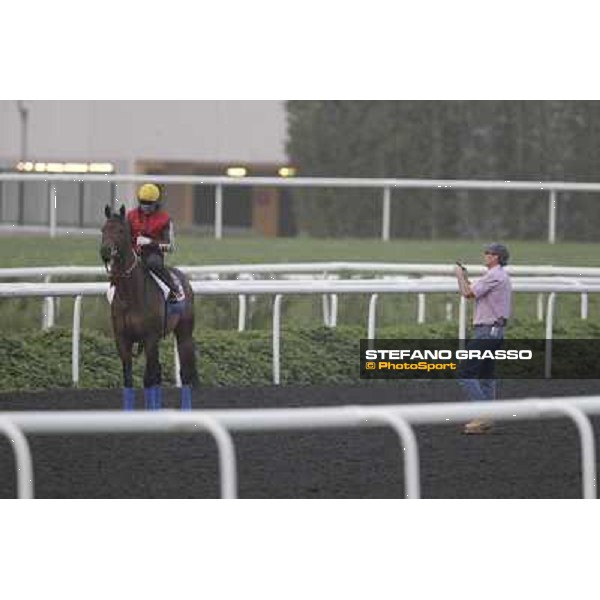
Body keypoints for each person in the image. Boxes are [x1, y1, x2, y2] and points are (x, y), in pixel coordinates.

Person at [454, 243, 512, 434]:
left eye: (488, 253)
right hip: (494, 331)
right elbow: (474, 289)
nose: (484, 255)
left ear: (496, 257)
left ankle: (484, 413)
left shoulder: (494, 275)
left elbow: (467, 293)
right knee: (486, 375)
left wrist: (459, 276)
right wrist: (466, 277)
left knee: (464, 373)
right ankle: (485, 420)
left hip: (487, 332)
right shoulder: (497, 275)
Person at [127, 183, 181, 302]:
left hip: (153, 255)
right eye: (143, 202)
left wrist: (150, 242)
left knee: (153, 262)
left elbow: (170, 247)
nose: (145, 206)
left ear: (156, 202)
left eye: (149, 203)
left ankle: (174, 289)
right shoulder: (130, 216)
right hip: (132, 253)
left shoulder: (165, 219)